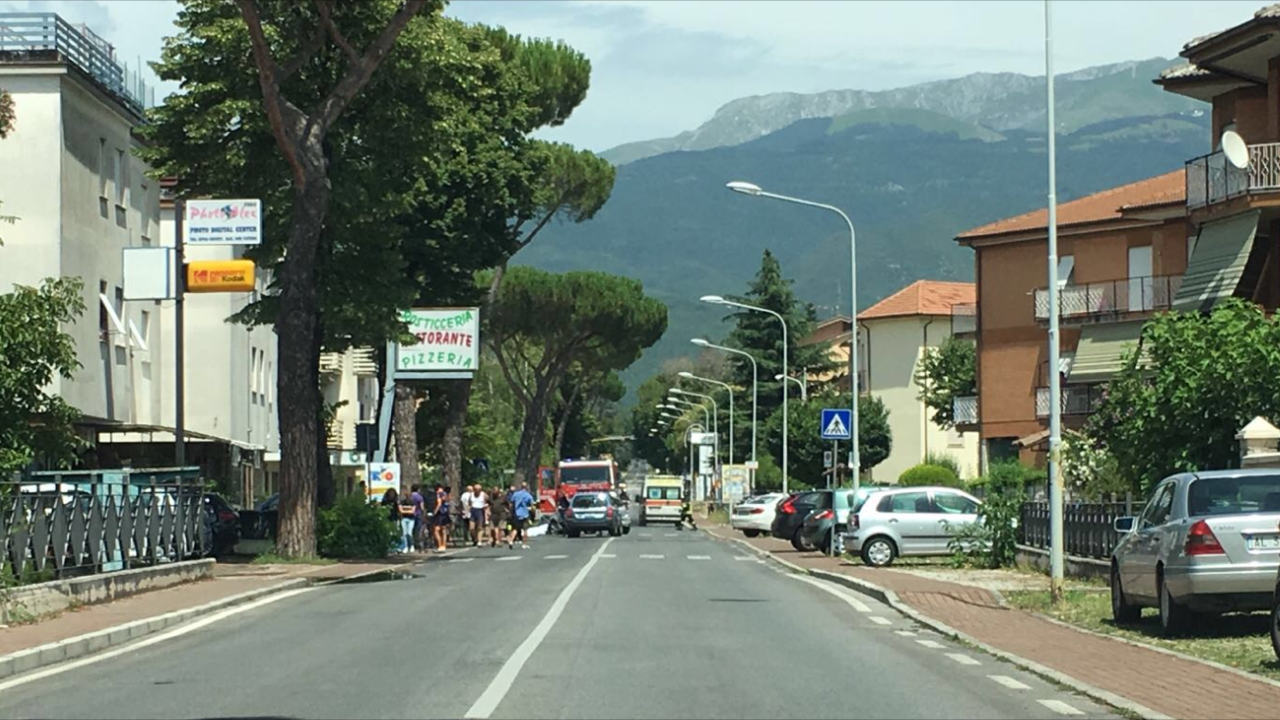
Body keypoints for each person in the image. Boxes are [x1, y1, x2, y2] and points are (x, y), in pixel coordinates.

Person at [507, 482, 535, 549]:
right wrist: (533, 512)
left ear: (521, 487)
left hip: (517, 514)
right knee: (525, 530)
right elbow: (532, 505)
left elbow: (511, 503)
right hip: (525, 514)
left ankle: (511, 541)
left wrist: (510, 511)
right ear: (526, 487)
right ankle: (524, 544)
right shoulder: (528, 495)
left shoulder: (516, 494)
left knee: (516, 529)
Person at [432, 486, 451, 552]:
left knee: (436, 530)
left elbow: (439, 504)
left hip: (440, 514)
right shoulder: (447, 496)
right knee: (444, 530)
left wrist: (434, 512)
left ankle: (440, 545)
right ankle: (444, 545)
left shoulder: (439, 495)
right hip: (445, 514)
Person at [409, 484, 425, 552]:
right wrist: (424, 513)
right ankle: (418, 543)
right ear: (418, 489)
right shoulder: (419, 497)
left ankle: (410, 543)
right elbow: (422, 507)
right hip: (418, 514)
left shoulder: (410, 496)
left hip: (409, 514)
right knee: (418, 530)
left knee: (410, 529)